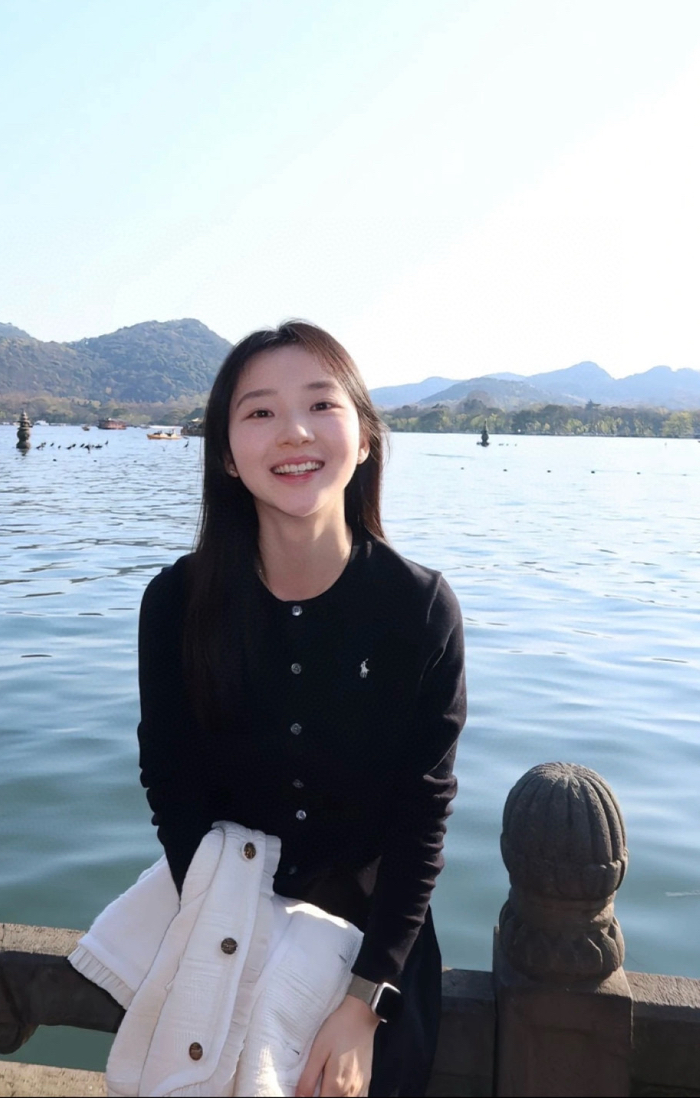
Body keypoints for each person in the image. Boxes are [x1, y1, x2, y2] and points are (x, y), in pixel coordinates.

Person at [137, 321, 466, 1098]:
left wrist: (363, 1001)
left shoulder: (419, 609)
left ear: (365, 437)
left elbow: (421, 819)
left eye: (321, 404)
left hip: (372, 951)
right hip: (221, 927)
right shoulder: (178, 603)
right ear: (226, 453)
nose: (293, 432)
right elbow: (173, 790)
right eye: (259, 412)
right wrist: (235, 953)